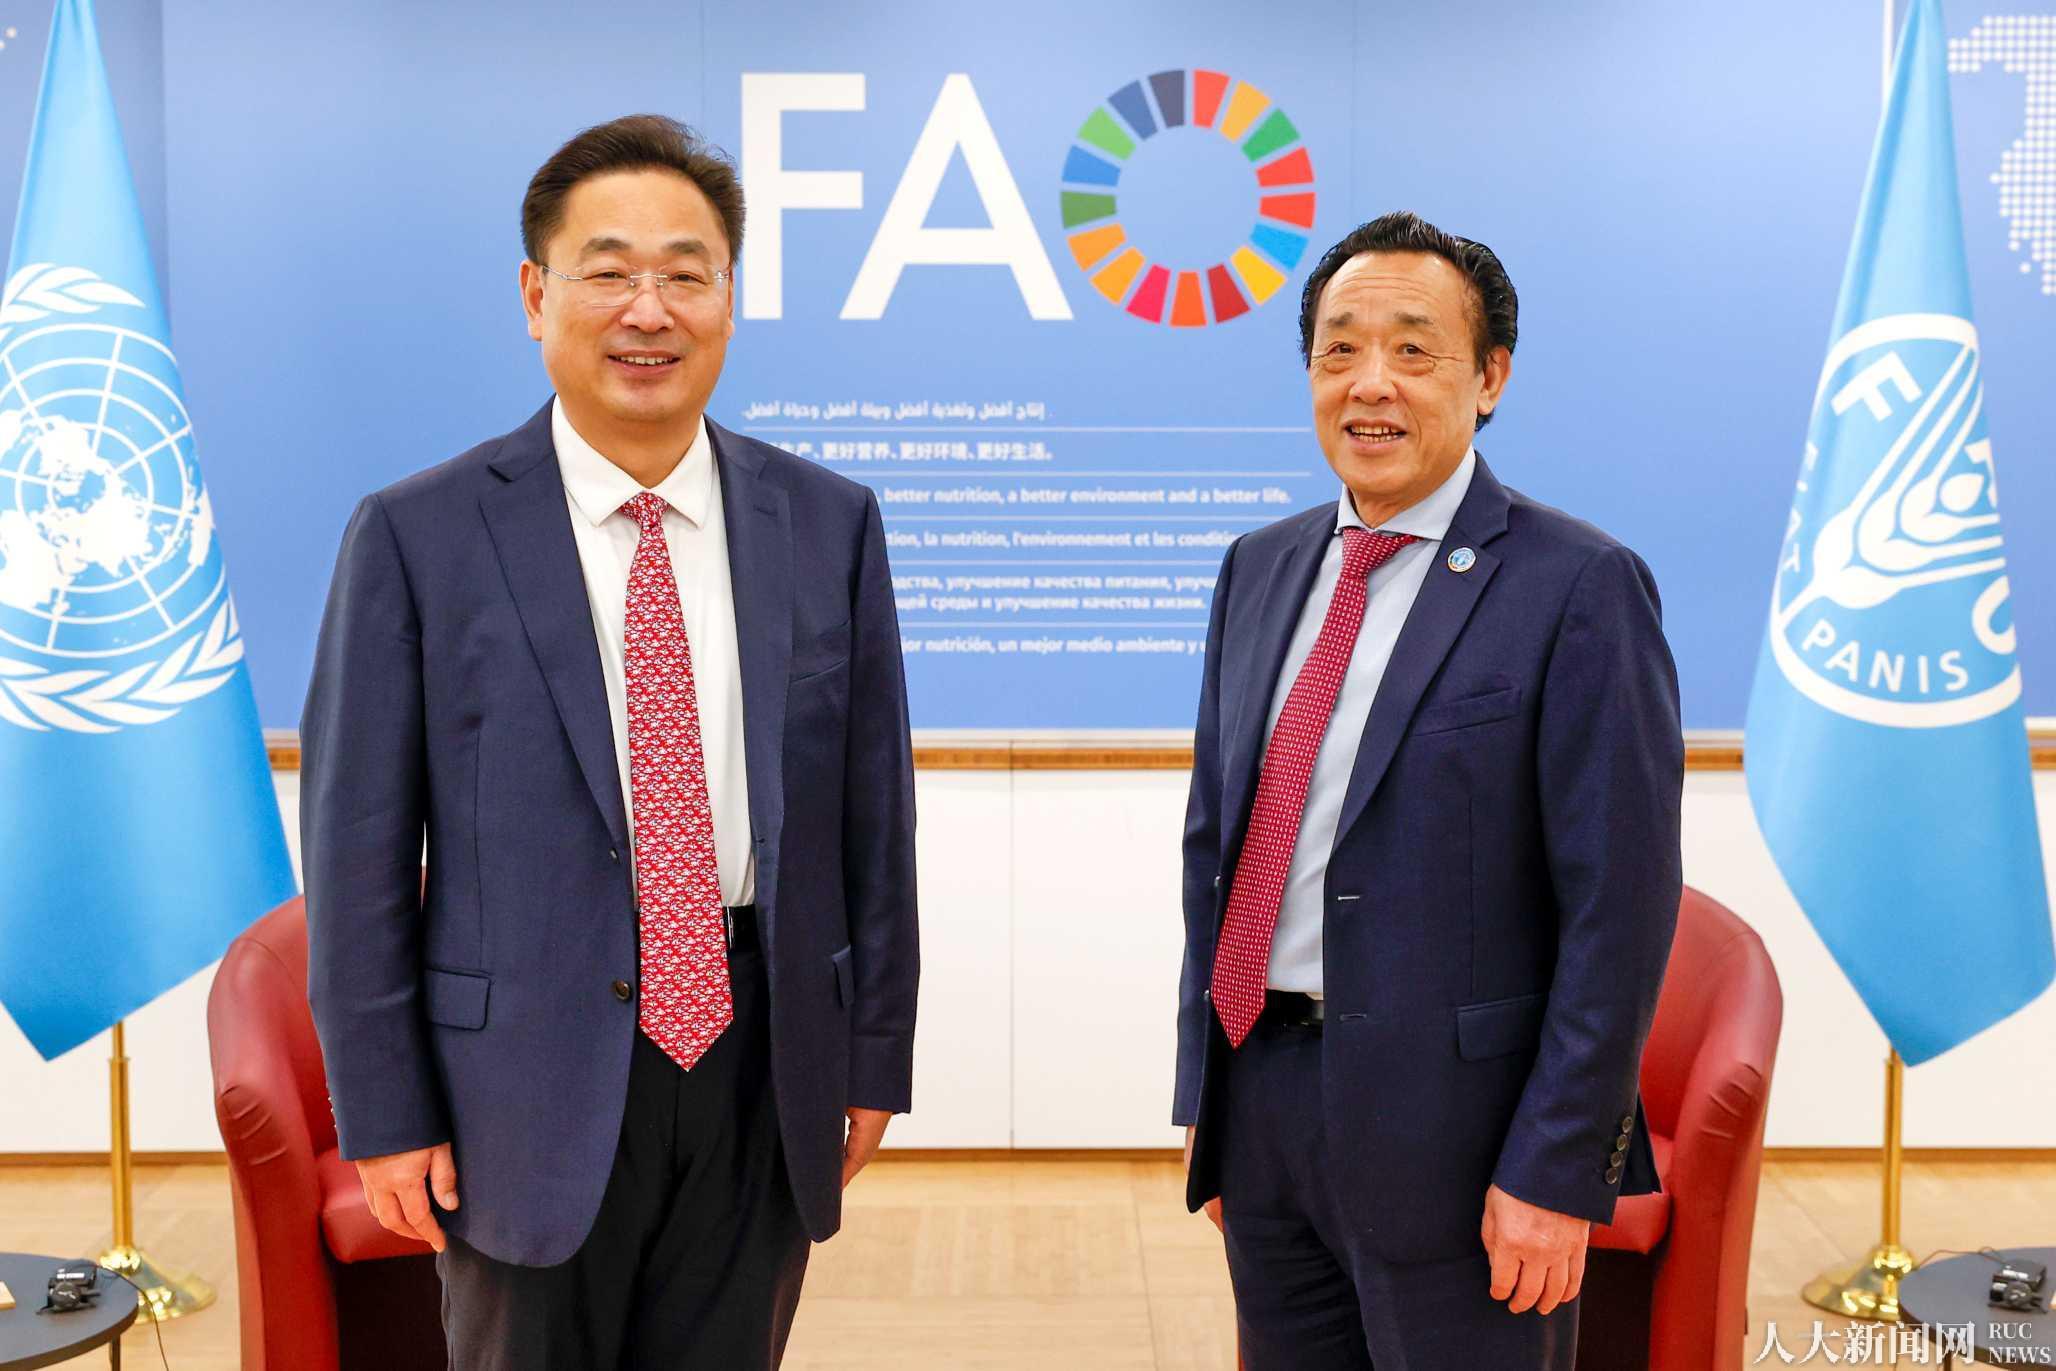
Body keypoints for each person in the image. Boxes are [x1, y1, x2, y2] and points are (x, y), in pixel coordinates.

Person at [301, 114, 918, 1370]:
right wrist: (384, 1112)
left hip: (761, 1065)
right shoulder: (419, 536)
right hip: (515, 1088)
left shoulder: (827, 523)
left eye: (686, 274)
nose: (650, 309)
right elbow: (356, 856)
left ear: (729, 300)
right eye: (609, 272)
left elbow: (874, 824)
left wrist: (873, 1057)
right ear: (537, 296)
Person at [1173, 210, 1683, 1369]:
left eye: (1413, 349)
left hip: (1468, 1143)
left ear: (1489, 377)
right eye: (1340, 350)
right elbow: (1216, 848)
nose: (1371, 384)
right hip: (1267, 1109)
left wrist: (1558, 1169)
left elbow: (1619, 909)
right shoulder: (1259, 567)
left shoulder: (1579, 585)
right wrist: (1212, 1098)